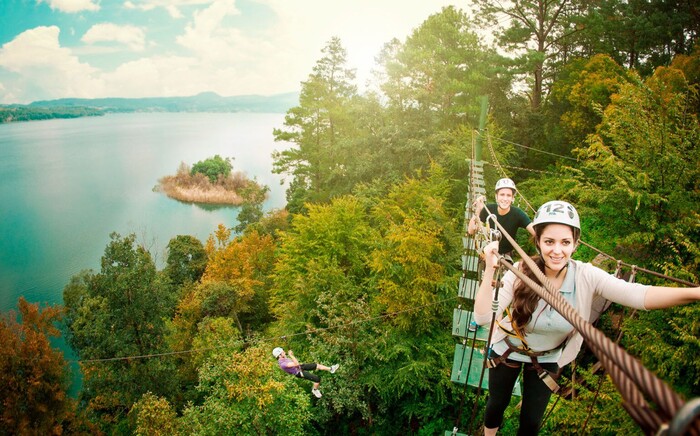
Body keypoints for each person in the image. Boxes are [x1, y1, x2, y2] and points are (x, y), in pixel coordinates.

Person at [473, 200, 700, 435]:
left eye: (565, 242)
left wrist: (694, 293)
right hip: (507, 348)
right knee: (496, 406)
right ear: (538, 241)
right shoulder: (519, 271)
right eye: (549, 241)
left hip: (546, 357)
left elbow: (638, 295)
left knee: (531, 423)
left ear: (575, 244)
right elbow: (482, 318)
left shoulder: (586, 276)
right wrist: (490, 269)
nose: (557, 250)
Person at [467, 178, 535, 262]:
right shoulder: (488, 209)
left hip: (506, 256)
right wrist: (478, 210)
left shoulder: (518, 214)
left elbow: (534, 231)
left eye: (508, 195)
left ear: (513, 198)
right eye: (502, 195)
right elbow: (471, 230)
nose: (505, 199)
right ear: (496, 197)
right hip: (488, 253)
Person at [272, 347, 339, 398]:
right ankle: (315, 390)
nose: (284, 352)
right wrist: (291, 355)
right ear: (279, 355)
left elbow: (297, 364)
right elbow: (296, 363)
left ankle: (331, 369)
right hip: (298, 372)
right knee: (317, 379)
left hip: (300, 367)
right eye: (283, 352)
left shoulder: (284, 358)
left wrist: (290, 354)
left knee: (316, 365)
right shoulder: (282, 364)